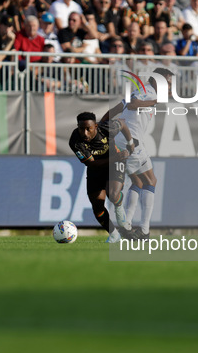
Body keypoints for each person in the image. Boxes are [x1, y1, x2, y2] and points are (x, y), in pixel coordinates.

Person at [100, 68, 174, 240]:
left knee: (138, 181)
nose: (169, 86)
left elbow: (116, 109)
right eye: (168, 82)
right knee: (150, 180)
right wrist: (155, 101)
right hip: (131, 143)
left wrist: (100, 125)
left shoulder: (139, 90)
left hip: (121, 141)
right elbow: (133, 104)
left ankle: (126, 226)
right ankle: (145, 230)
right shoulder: (148, 92)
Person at [69, 112, 138, 241]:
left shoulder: (106, 128)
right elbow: (92, 163)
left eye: (88, 129)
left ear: (95, 126)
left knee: (113, 194)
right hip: (97, 166)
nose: (85, 133)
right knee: (97, 205)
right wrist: (116, 157)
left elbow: (122, 123)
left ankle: (119, 207)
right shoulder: (75, 141)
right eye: (81, 129)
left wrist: (130, 141)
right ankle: (114, 234)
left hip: (116, 163)